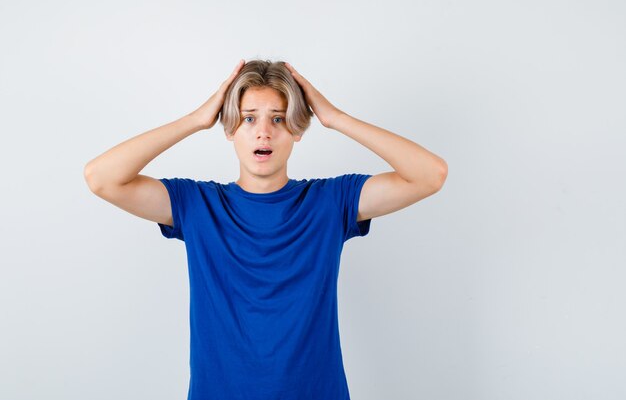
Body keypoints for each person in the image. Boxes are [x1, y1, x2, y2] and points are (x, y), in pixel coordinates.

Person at [84, 59, 448, 400]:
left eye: (278, 119)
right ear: (229, 128)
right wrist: (195, 119)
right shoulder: (196, 204)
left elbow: (430, 175)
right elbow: (101, 178)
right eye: (248, 119)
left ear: (297, 129)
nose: (263, 133)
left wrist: (334, 117)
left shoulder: (331, 201)